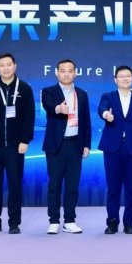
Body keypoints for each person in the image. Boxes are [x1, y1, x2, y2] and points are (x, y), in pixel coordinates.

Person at [0, 53, 35, 235]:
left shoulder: (25, 89)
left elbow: (30, 116)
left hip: (15, 146)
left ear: (15, 66)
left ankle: (14, 223)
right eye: (2, 65)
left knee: (15, 185)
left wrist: (25, 140)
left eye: (9, 64)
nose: (6, 68)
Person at [97, 65, 132, 235]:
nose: (125, 79)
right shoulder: (108, 97)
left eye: (128, 76)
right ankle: (112, 223)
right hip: (112, 147)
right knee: (113, 187)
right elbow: (102, 109)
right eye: (121, 76)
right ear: (115, 79)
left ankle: (129, 223)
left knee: (131, 188)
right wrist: (106, 115)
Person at [41, 59, 92, 235]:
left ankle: (69, 220)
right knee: (54, 185)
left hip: (75, 144)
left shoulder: (82, 94)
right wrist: (58, 108)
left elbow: (86, 121)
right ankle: (54, 221)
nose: (66, 74)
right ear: (57, 72)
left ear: (75, 73)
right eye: (63, 71)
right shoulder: (48, 91)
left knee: (72, 185)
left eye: (70, 71)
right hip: (56, 145)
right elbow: (48, 105)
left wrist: (86, 144)